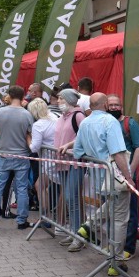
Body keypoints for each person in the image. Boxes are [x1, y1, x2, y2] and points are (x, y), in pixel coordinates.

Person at [70, 92, 133, 276]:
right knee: (120, 218)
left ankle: (88, 226)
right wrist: (128, 178)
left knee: (113, 208)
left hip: (98, 176)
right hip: (113, 176)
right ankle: (116, 262)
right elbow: (118, 153)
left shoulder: (86, 122)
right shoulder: (110, 122)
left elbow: (78, 152)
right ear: (105, 104)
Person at [0, 85, 34, 230]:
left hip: (4, 154)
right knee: (22, 189)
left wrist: (2, 131)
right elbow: (30, 134)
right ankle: (22, 220)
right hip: (22, 155)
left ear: (9, 96)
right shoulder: (27, 114)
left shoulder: (1, 112)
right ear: (23, 97)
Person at [104, 94, 139, 260]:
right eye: (111, 104)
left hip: (126, 178)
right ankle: (114, 244)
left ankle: (128, 247)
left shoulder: (130, 123)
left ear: (121, 106)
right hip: (109, 176)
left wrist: (130, 172)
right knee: (111, 212)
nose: (114, 107)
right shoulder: (106, 123)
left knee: (129, 214)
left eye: (117, 104)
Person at [54, 88, 87, 251]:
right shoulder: (63, 116)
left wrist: (69, 146)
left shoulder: (78, 115)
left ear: (68, 100)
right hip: (63, 163)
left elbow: (84, 135)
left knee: (71, 198)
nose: (58, 101)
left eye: (60, 98)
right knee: (70, 199)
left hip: (75, 162)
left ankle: (79, 236)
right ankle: (75, 232)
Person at [28, 98, 58, 227]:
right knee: (43, 186)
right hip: (58, 158)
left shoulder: (38, 125)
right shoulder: (54, 117)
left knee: (39, 186)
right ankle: (48, 217)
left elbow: (34, 147)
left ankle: (46, 217)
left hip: (49, 161)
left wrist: (27, 137)